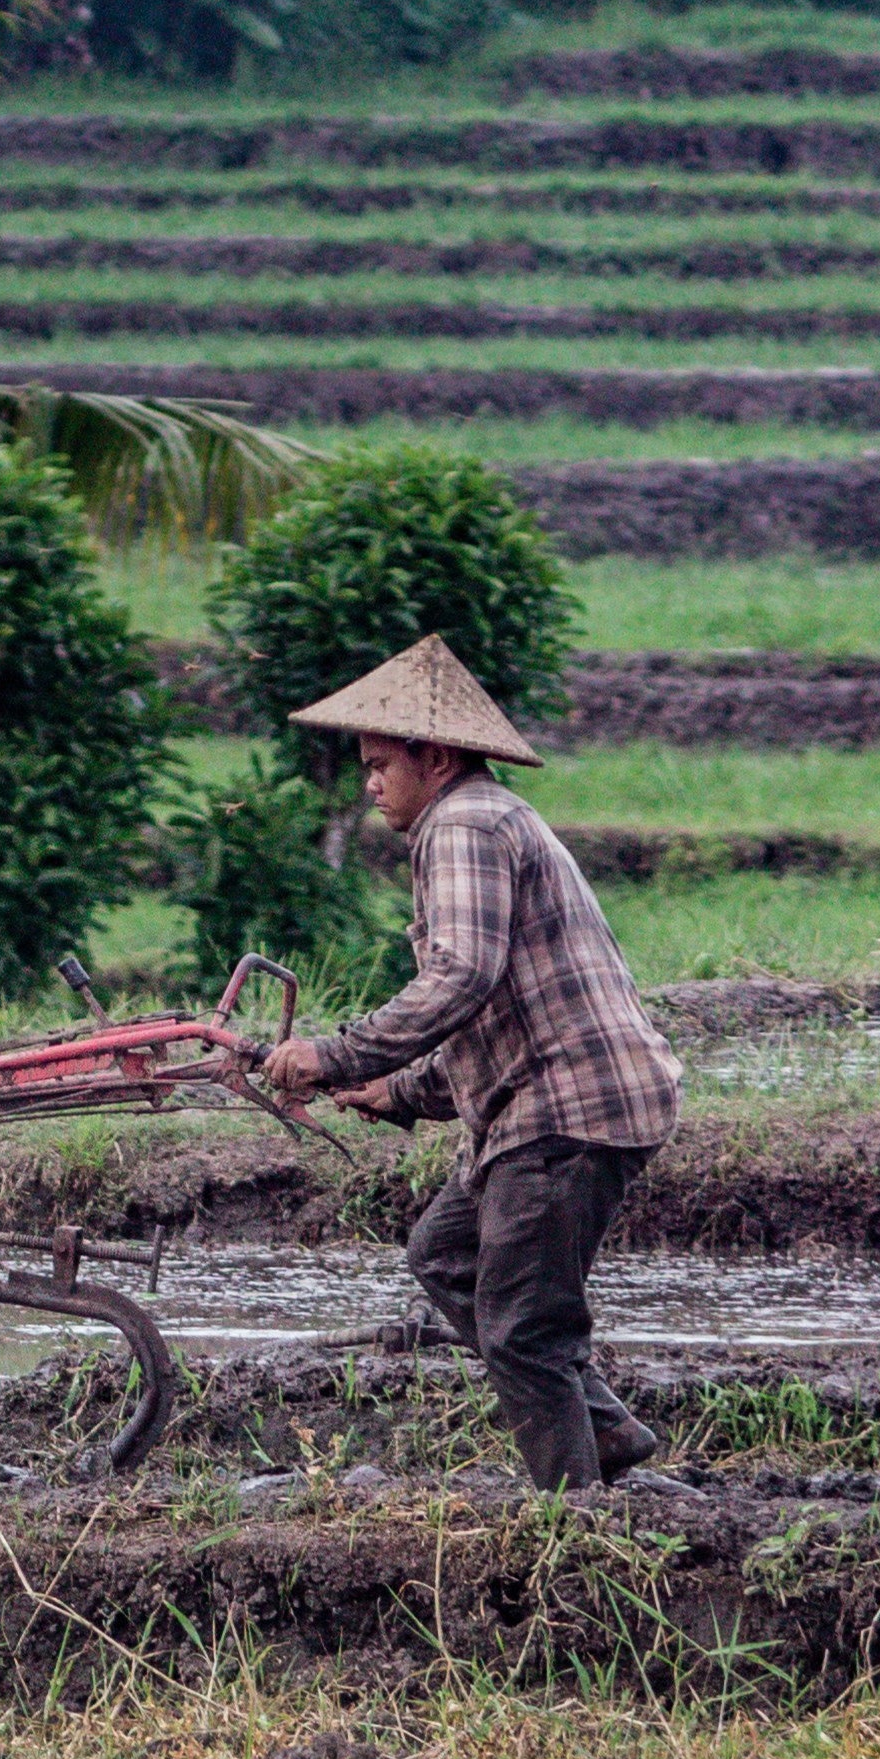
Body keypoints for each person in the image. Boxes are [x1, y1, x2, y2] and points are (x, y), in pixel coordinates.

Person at [255, 635, 682, 1491]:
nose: (370, 783)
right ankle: (607, 1435)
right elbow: (497, 1005)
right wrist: (394, 1089)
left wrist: (332, 1052)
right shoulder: (490, 820)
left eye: (381, 764)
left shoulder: (464, 824)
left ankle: (573, 1522)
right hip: (553, 1101)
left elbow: (461, 976)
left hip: (563, 1111)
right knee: (445, 1254)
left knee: (523, 1330)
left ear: (436, 755)